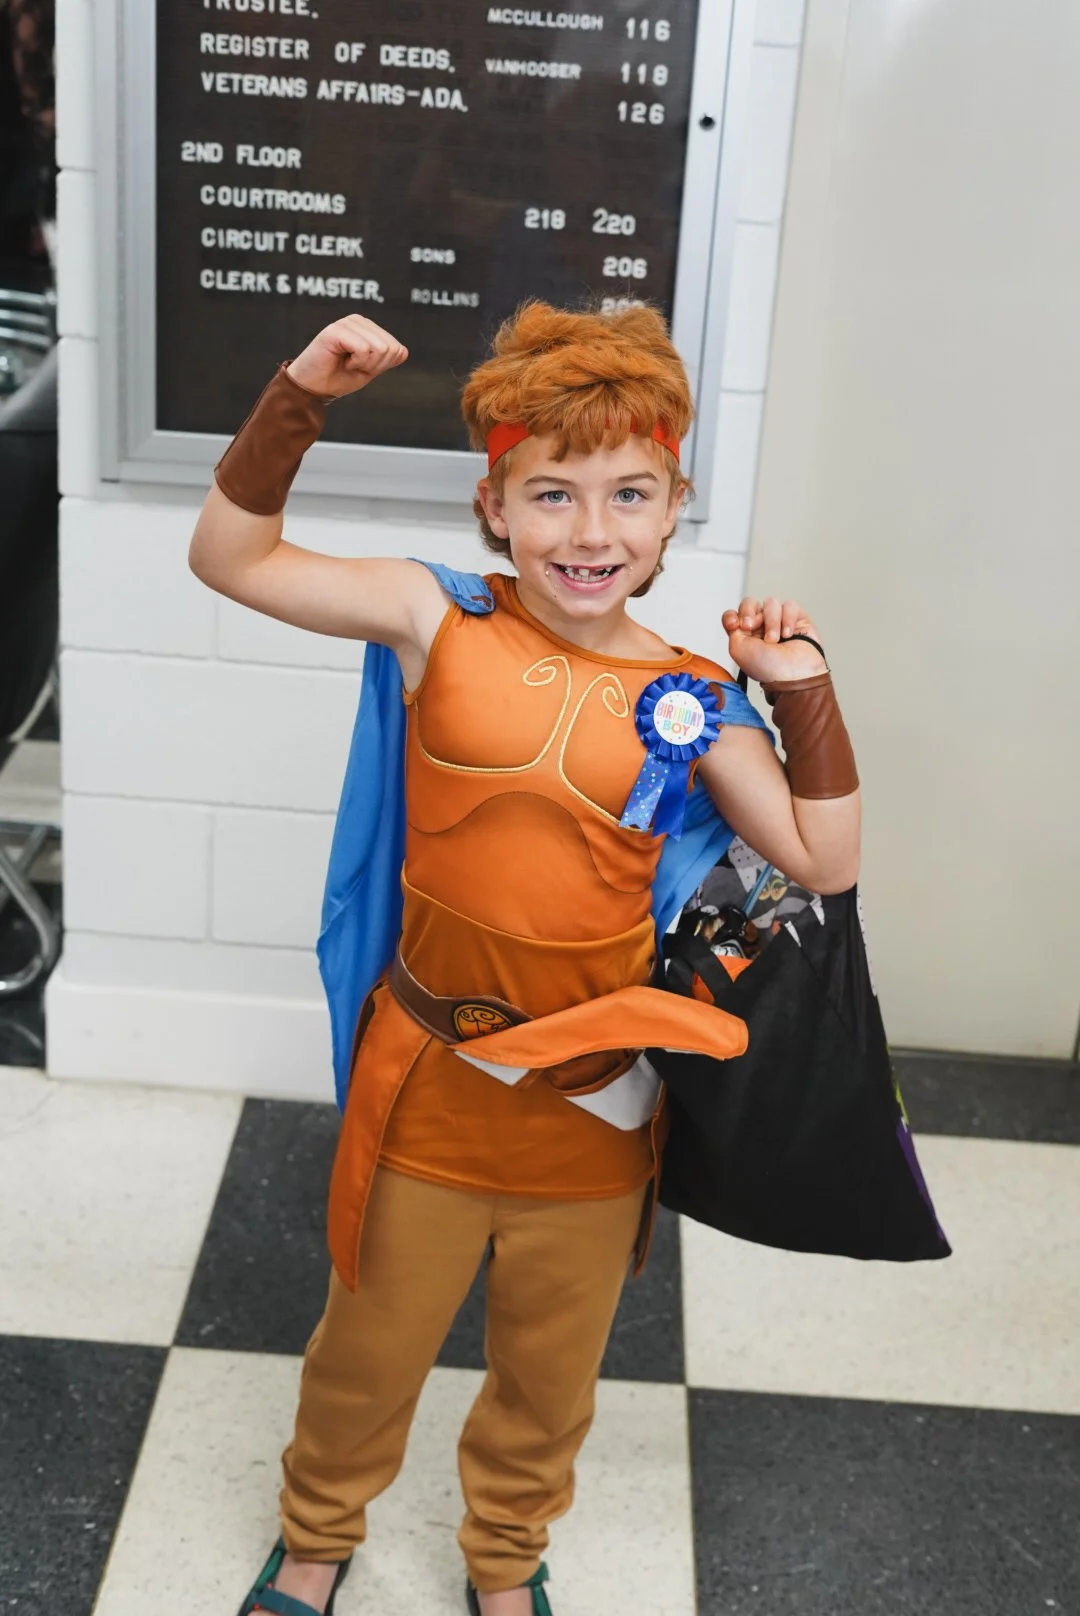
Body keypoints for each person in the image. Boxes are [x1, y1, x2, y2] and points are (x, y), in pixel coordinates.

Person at [188, 301, 861, 1616]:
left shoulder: (699, 697)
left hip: (595, 1115)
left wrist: (803, 690)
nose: (590, 531)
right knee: (365, 1351)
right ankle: (317, 1537)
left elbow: (821, 862)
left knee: (550, 1374)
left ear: (674, 511)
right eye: (550, 494)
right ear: (492, 504)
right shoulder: (431, 617)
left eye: (628, 494)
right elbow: (230, 558)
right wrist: (299, 396)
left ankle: (505, 1559)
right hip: (429, 1087)